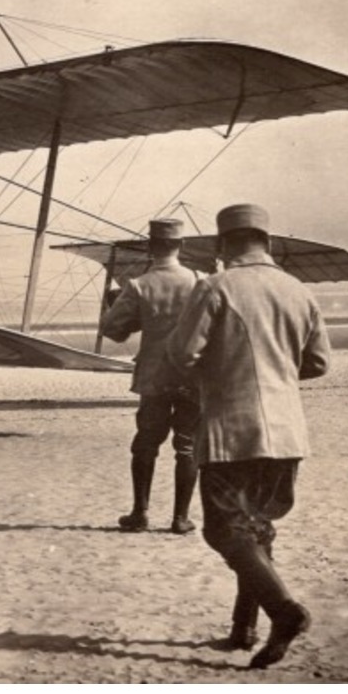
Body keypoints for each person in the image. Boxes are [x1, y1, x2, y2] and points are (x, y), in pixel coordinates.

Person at [166, 203, 331, 669]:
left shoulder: (215, 286)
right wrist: (276, 372)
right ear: (268, 242)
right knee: (257, 529)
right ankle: (244, 630)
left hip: (231, 431)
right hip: (286, 432)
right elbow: (318, 363)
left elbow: (182, 353)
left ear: (222, 245)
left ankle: (284, 612)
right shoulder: (298, 291)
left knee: (223, 529)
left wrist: (223, 373)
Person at [98, 218, 201, 535]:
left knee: (145, 444)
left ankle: (139, 513)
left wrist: (139, 319)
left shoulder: (139, 285)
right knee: (187, 447)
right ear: (181, 246)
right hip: (192, 376)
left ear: (150, 246)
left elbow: (112, 330)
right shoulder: (201, 280)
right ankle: (180, 518)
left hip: (154, 377)